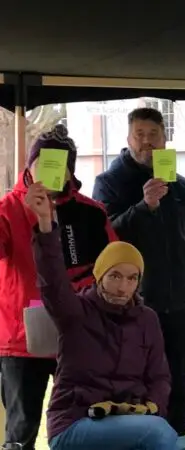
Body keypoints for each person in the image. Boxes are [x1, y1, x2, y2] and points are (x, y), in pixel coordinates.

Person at [92, 107, 185, 436]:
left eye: (154, 135)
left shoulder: (182, 187)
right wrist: (144, 207)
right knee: (135, 387)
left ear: (165, 140)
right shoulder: (109, 183)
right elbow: (104, 239)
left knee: (178, 386)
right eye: (140, 135)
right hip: (130, 308)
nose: (147, 142)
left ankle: (176, 438)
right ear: (128, 139)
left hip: (177, 306)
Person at [25, 181, 176, 450]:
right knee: (158, 434)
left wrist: (151, 408)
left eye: (132, 278)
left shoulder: (147, 319)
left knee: (156, 431)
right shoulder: (75, 311)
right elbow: (52, 280)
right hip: (75, 422)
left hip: (131, 419)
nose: (123, 286)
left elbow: (159, 378)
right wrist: (46, 223)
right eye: (115, 276)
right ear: (99, 276)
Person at [0, 125, 117, 450]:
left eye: (60, 164)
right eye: (42, 162)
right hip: (21, 340)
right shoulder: (8, 209)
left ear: (70, 171)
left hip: (76, 335)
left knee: (81, 424)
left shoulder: (91, 212)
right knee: (20, 430)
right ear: (30, 165)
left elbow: (112, 265)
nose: (50, 171)